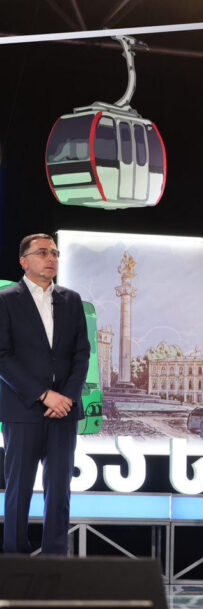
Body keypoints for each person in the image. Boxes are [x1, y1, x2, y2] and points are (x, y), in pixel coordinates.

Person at [0, 233, 90, 555]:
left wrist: (67, 397)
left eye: (54, 252)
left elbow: (82, 354)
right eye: (42, 252)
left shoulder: (71, 300)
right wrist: (43, 395)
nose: (51, 258)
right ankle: (15, 562)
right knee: (18, 491)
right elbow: (2, 356)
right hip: (22, 410)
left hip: (63, 412)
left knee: (59, 493)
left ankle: (56, 562)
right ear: (23, 261)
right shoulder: (6, 300)